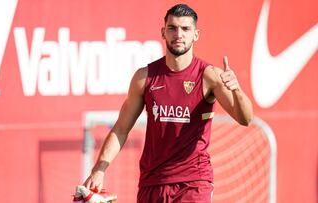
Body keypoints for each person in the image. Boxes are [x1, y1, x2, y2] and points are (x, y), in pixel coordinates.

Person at [83, 3, 253, 203]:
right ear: (163, 32)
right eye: (172, 28)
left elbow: (245, 119)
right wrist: (99, 169)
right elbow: (120, 129)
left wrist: (237, 90)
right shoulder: (144, 77)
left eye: (185, 29)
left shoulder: (209, 76)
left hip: (194, 182)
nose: (178, 34)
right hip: (153, 182)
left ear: (195, 35)